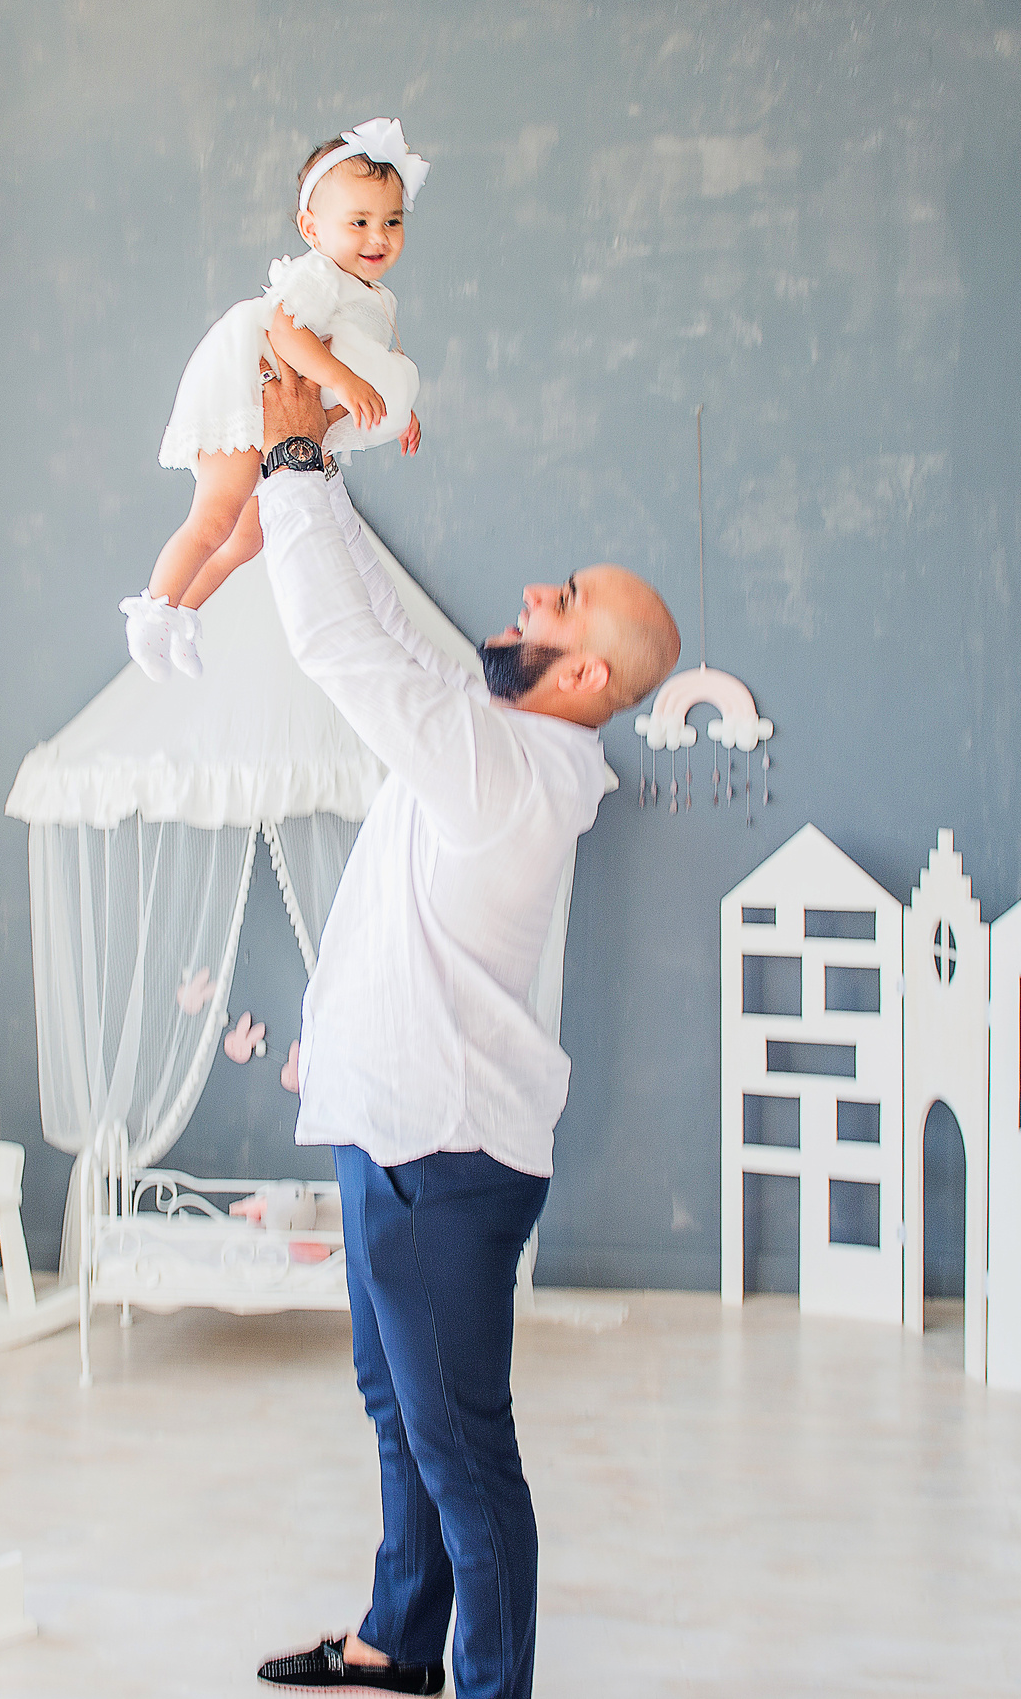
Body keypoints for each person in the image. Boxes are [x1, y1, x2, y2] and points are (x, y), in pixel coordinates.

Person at [246, 362, 681, 1699]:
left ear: (587, 669)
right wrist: (325, 471)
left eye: (569, 598)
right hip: (391, 1130)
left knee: (464, 1453)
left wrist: (291, 467)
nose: (537, 594)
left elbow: (338, 644)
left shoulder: (508, 768)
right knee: (403, 1415)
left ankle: (490, 1686)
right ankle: (395, 1644)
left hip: (442, 1165)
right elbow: (380, 619)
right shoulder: (497, 736)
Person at [123, 118, 429, 682]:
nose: (378, 238)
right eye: (358, 222)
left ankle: (185, 614)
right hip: (246, 385)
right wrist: (346, 380)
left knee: (249, 535)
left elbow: (369, 364)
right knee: (216, 515)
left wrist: (398, 413)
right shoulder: (319, 276)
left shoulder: (372, 295)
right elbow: (288, 332)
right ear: (312, 229)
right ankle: (151, 612)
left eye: (392, 222)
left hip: (283, 408)